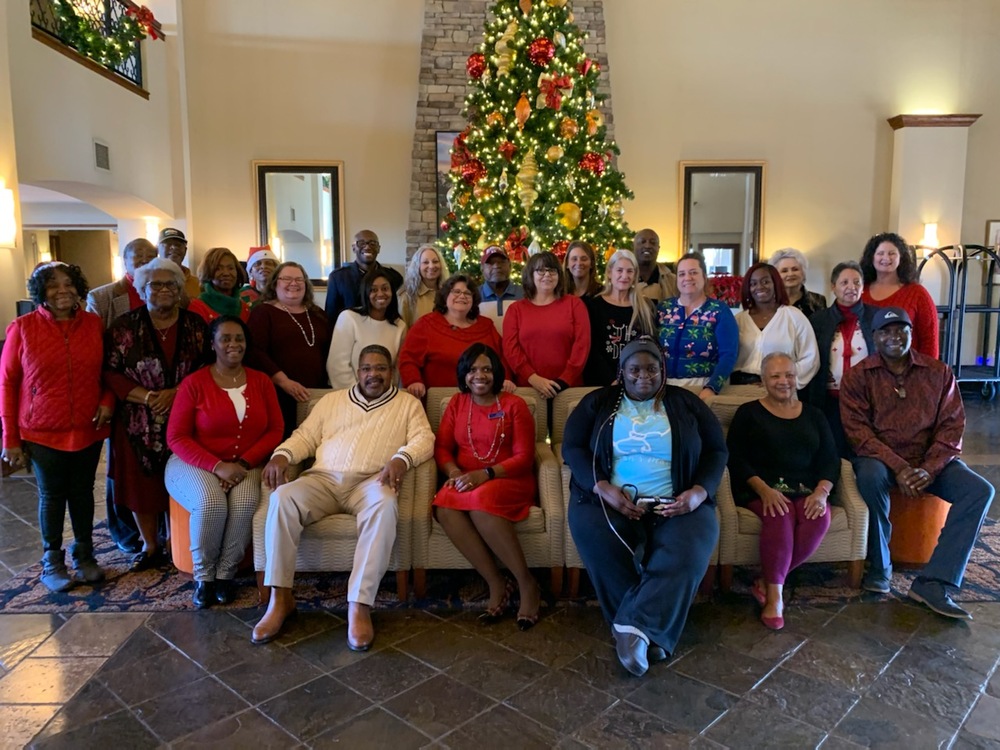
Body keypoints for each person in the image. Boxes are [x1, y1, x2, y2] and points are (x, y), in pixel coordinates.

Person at [252, 345, 435, 649]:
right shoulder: (330, 401)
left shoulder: (407, 404)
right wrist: (282, 456)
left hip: (370, 482)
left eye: (380, 368)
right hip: (323, 480)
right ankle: (280, 599)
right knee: (282, 498)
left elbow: (424, 439)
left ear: (391, 372)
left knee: (385, 502)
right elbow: (305, 437)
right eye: (366, 368)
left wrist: (401, 459)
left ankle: (359, 605)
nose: (373, 374)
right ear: (357, 371)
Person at [563, 337, 726, 676]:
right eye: (634, 369)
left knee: (690, 547)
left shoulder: (687, 402)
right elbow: (572, 447)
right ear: (621, 372)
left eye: (652, 369)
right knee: (597, 536)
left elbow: (717, 451)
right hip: (608, 500)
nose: (643, 376)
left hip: (676, 501)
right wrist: (603, 487)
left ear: (662, 370)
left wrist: (698, 492)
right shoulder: (598, 402)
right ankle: (649, 631)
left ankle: (631, 628)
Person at [840, 307, 993, 618]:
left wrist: (927, 469)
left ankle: (934, 583)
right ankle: (880, 567)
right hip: (881, 461)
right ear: (874, 337)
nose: (894, 336)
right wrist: (901, 467)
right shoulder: (858, 376)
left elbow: (952, 428)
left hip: (930, 462)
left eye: (901, 330)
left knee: (980, 491)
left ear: (911, 333)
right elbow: (860, 434)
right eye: (886, 331)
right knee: (868, 474)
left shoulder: (938, 373)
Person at [1, 263, 114, 592]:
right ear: (41, 292)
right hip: (41, 431)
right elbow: (7, 384)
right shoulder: (22, 328)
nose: (62, 290)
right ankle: (52, 559)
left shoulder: (93, 325)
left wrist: (107, 400)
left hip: (88, 427)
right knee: (52, 496)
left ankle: (85, 554)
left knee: (82, 494)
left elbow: (108, 371)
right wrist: (10, 439)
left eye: (68, 284)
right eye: (53, 285)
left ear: (79, 288)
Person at [166, 316, 283, 608]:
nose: (234, 344)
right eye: (226, 339)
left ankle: (225, 576)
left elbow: (275, 430)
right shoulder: (194, 383)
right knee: (211, 503)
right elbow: (177, 437)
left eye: (239, 339)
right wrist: (218, 467)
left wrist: (243, 463)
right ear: (213, 344)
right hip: (193, 462)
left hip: (247, 464)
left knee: (243, 504)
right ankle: (204, 578)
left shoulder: (261, 381)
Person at [104, 258, 209, 571]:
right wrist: (149, 397)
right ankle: (150, 546)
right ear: (142, 289)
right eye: (156, 284)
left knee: (182, 480)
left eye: (170, 284)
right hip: (136, 419)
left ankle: (173, 540)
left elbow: (206, 366)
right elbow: (110, 371)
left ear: (179, 290)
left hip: (184, 415)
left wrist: (174, 394)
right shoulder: (123, 327)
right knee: (140, 485)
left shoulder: (195, 325)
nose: (164, 289)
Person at [726, 353, 839, 630]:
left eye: (789, 374)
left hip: (806, 489)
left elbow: (830, 459)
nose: (783, 381)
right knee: (780, 512)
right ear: (763, 380)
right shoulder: (748, 413)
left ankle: (766, 581)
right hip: (760, 489)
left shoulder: (815, 414)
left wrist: (822, 492)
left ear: (797, 378)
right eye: (775, 376)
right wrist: (764, 490)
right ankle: (775, 598)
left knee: (819, 517)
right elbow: (735, 458)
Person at [433, 344, 541, 628]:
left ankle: (526, 582)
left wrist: (486, 474)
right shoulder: (456, 403)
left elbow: (524, 457)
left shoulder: (513, 405)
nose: (479, 375)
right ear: (463, 374)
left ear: (496, 373)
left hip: (508, 479)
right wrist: (455, 471)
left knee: (481, 503)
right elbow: (442, 449)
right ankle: (496, 581)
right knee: (444, 506)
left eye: (486, 369)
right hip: (467, 478)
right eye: (471, 370)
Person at [86, 237, 158, 554]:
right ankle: (124, 532)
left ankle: (159, 531)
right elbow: (97, 356)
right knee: (120, 467)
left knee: (152, 466)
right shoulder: (103, 298)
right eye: (136, 256)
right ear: (124, 261)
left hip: (161, 395)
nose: (143, 260)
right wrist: (108, 397)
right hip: (120, 395)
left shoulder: (166, 290)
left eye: (149, 255)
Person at [246, 261, 331, 437]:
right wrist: (284, 382)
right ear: (275, 282)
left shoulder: (318, 314)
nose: (294, 283)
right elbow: (255, 352)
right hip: (279, 394)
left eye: (299, 279)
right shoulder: (263, 312)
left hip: (315, 393)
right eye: (287, 278)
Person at [804, 261, 877, 456]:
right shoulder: (819, 320)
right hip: (829, 401)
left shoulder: (875, 317)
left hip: (867, 402)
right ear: (833, 287)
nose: (851, 287)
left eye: (856, 282)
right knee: (831, 451)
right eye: (844, 282)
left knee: (862, 451)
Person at [398, 274, 512, 398]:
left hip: (483, 400)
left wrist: (506, 378)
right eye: (456, 292)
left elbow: (503, 357)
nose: (462, 296)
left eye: (468, 293)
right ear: (446, 296)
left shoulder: (486, 326)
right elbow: (408, 358)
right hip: (437, 400)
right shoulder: (426, 324)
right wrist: (414, 381)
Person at [504, 252, 590, 399]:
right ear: (530, 275)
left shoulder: (574, 304)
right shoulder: (516, 310)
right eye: (541, 270)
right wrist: (533, 378)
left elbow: (582, 345)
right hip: (528, 389)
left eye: (552, 270)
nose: (547, 275)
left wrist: (564, 380)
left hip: (568, 388)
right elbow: (510, 348)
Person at [656, 252, 739, 402]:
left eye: (693, 272)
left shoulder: (719, 311)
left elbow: (729, 355)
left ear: (704, 277)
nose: (687, 278)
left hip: (702, 389)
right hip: (663, 389)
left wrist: (712, 388)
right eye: (682, 274)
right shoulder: (663, 309)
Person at [731, 262, 819, 388]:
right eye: (753, 284)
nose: (760, 287)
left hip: (780, 389)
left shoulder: (794, 316)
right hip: (739, 388)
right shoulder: (738, 320)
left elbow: (811, 358)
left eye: (765, 282)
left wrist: (784, 380)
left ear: (775, 284)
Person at [859, 232, 939, 359]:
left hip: (908, 371)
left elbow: (929, 340)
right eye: (880, 253)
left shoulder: (917, 293)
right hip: (867, 371)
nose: (886, 258)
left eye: (892, 253)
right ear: (871, 258)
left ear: (901, 257)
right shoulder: (860, 292)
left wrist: (926, 373)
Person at [583, 249, 654, 386]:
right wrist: (612, 380)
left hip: (637, 384)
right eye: (619, 270)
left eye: (629, 271)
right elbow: (592, 350)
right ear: (610, 273)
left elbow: (649, 346)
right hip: (601, 382)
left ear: (635, 276)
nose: (624, 276)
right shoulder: (594, 306)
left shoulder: (645, 307)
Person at [327, 269, 406, 390]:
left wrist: (386, 395)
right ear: (365, 293)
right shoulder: (349, 318)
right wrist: (359, 396)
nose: (380, 294)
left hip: (385, 397)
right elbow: (337, 366)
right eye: (373, 290)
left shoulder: (400, 326)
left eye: (385, 289)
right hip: (350, 395)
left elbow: (396, 371)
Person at [325, 230, 403, 325]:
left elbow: (395, 311)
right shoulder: (337, 278)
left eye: (373, 243)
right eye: (361, 243)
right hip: (350, 334)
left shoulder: (394, 277)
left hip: (383, 332)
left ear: (378, 248)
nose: (367, 247)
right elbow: (331, 316)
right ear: (354, 248)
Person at [86, 238, 158, 329]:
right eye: (139, 256)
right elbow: (92, 337)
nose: (145, 260)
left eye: (150, 257)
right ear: (125, 261)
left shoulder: (167, 292)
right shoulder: (99, 297)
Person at [187, 247, 251, 324]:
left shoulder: (244, 308)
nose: (226, 273)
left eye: (230, 268)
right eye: (218, 269)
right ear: (208, 272)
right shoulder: (198, 307)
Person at [769, 247, 828, 319]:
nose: (790, 274)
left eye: (795, 269)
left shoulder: (818, 300)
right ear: (776, 275)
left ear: (803, 273)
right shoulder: (769, 301)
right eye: (784, 271)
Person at [478, 245, 524, 334]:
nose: (496, 266)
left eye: (502, 262)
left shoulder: (525, 294)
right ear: (482, 269)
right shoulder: (472, 296)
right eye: (490, 263)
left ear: (510, 266)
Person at [399, 243, 446, 327]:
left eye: (435, 261)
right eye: (425, 262)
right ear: (417, 266)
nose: (431, 266)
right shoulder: (406, 297)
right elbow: (402, 334)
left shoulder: (448, 294)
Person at [633, 229, 678, 303]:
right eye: (642, 242)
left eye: (653, 243)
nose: (647, 246)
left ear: (658, 248)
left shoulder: (673, 281)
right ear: (634, 246)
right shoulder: (624, 278)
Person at [158, 227, 203, 300]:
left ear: (185, 250)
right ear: (157, 249)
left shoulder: (198, 284)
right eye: (168, 244)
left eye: (178, 245)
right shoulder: (148, 280)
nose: (174, 247)